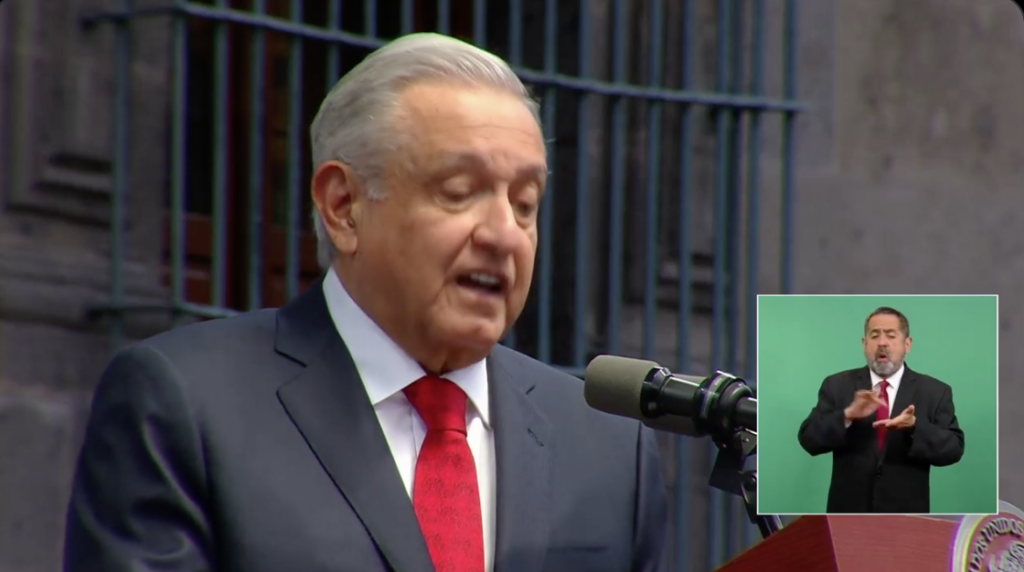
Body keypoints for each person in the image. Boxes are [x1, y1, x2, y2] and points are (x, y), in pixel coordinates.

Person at [62, 33, 669, 572]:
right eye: (459, 192)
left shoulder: (610, 450)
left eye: (525, 204)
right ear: (343, 206)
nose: (504, 234)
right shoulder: (186, 405)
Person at [796, 306, 965, 513]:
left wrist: (914, 426)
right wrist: (847, 415)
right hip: (848, 513)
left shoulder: (934, 391)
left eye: (891, 336)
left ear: (907, 344)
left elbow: (953, 449)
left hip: (906, 515)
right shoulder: (837, 385)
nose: (882, 342)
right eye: (875, 335)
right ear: (864, 343)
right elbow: (809, 439)